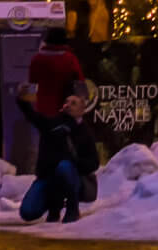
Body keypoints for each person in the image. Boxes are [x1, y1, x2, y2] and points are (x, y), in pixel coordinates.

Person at [20, 85, 102, 223]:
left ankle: (72, 208)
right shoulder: (53, 124)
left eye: (73, 103)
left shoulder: (85, 132)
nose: (68, 105)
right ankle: (53, 205)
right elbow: (33, 117)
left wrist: (76, 164)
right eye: (66, 102)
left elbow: (94, 162)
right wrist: (22, 99)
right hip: (49, 179)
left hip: (72, 177)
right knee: (27, 212)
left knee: (64, 167)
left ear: (82, 109)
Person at [27, 24, 84, 119]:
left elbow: (33, 80)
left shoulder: (37, 58)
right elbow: (80, 79)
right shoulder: (70, 58)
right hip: (65, 107)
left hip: (43, 107)